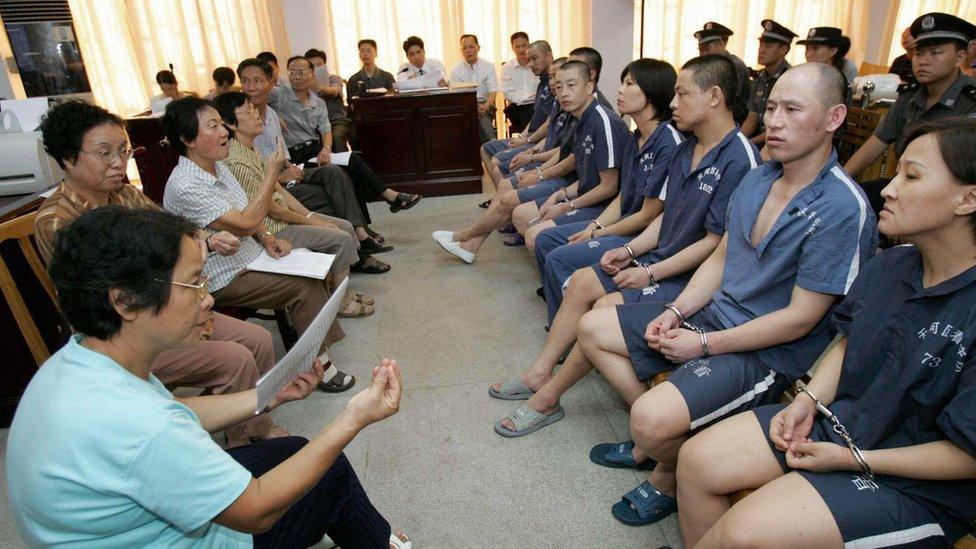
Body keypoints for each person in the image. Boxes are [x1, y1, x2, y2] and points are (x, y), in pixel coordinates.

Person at [6, 206, 411, 548]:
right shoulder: (142, 426)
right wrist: (353, 418)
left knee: (293, 450)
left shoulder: (85, 357)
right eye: (193, 282)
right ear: (126, 301)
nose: (209, 297)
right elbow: (257, 510)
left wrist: (266, 397)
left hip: (122, 528)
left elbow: (175, 409)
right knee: (329, 472)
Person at [587, 62, 877, 527]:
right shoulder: (759, 177)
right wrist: (678, 311)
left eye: (793, 110)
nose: (774, 121)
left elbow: (801, 319)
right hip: (715, 318)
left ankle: (667, 469)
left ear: (834, 118)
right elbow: (721, 259)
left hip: (770, 353)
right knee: (593, 327)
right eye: (772, 108)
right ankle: (668, 453)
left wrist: (703, 345)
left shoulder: (842, 206)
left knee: (648, 421)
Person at [677, 117, 976, 548]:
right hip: (844, 427)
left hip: (916, 483)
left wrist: (854, 458)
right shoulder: (891, 264)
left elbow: (967, 454)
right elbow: (849, 339)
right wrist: (808, 399)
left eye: (911, 176)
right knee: (696, 461)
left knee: (745, 532)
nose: (888, 188)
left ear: (968, 200)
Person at [491, 55, 759, 436]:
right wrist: (631, 251)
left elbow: (715, 246)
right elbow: (664, 217)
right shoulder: (689, 148)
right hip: (660, 258)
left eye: (682, 94)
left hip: (692, 278)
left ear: (714, 97)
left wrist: (648, 270)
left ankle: (553, 398)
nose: (672, 103)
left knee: (599, 309)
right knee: (584, 280)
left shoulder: (740, 160)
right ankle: (539, 374)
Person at [33, 99, 287, 448]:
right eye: (104, 153)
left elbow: (173, 232)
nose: (118, 162)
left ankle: (247, 431)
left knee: (257, 341)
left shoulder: (124, 194)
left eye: (123, 150)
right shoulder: (58, 221)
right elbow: (113, 295)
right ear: (67, 158)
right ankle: (243, 445)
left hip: (164, 305)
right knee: (236, 357)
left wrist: (209, 239)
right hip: (122, 336)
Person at [161, 96, 356, 392]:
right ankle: (319, 366)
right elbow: (245, 221)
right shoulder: (186, 184)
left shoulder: (217, 165)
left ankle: (310, 350)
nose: (224, 131)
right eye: (213, 126)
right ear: (187, 139)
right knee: (304, 287)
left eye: (222, 124)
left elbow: (246, 211)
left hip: (251, 257)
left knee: (313, 271)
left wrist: (267, 238)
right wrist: (271, 172)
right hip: (221, 277)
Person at [433, 60, 627, 264]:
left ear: (589, 86)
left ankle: (465, 237)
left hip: (599, 202)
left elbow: (608, 187)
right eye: (559, 86)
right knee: (517, 207)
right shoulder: (581, 117)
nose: (563, 93)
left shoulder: (603, 121)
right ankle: (469, 242)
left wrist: (565, 202)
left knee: (520, 212)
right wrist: (556, 189)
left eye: (571, 85)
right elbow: (574, 159)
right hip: (577, 189)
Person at [532, 59, 682, 321]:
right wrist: (595, 227)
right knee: (545, 239)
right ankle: (568, 312)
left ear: (653, 91)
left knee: (558, 257)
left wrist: (598, 231)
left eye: (630, 84)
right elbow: (624, 195)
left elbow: (648, 216)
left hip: (640, 236)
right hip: (622, 222)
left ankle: (568, 327)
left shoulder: (668, 141)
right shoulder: (637, 137)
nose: (620, 90)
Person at [213, 92, 372, 318]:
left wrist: (311, 217)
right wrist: (314, 222)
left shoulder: (250, 148)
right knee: (341, 237)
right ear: (229, 123)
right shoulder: (235, 160)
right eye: (247, 111)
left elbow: (278, 190)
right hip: (272, 228)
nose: (256, 114)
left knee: (344, 225)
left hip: (280, 217)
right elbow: (271, 209)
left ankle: (340, 293)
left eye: (253, 108)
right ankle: (337, 305)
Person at [236, 57, 393, 271]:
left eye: (257, 81)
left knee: (335, 173)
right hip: (275, 185)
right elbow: (252, 174)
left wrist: (292, 166)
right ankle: (358, 251)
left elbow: (292, 147)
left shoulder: (272, 114)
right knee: (331, 195)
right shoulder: (241, 122)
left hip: (289, 169)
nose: (250, 88)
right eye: (245, 81)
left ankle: (358, 238)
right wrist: (281, 176)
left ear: (271, 84)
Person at [844, 12, 976, 215]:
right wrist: (840, 180)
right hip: (904, 188)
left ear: (959, 58)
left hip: (951, 201)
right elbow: (876, 143)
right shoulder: (909, 95)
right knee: (847, 203)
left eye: (936, 52)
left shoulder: (971, 101)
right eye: (919, 53)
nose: (923, 61)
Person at [269, 55, 422, 220]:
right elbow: (252, 97)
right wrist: (273, 115)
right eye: (292, 72)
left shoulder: (318, 102)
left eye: (301, 72)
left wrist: (326, 149)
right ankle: (390, 197)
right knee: (349, 166)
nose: (296, 77)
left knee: (351, 163)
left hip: (313, 151)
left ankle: (367, 226)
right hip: (294, 155)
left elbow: (325, 128)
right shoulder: (278, 94)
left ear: (312, 74)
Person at [741, 19, 797, 147]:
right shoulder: (760, 77)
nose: (761, 50)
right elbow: (752, 117)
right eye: (761, 44)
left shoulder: (790, 79)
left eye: (768, 46)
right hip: (759, 141)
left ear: (784, 49)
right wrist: (738, 140)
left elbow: (785, 126)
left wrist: (749, 143)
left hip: (780, 142)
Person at [694, 22, 751, 123]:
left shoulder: (734, 65)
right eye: (701, 50)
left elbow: (728, 103)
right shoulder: (708, 66)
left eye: (707, 49)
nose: (703, 54)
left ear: (721, 44)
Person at [449, 34, 500, 142]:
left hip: (486, 105)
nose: (468, 50)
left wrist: (484, 107)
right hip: (465, 108)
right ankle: (492, 143)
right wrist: (473, 108)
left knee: (481, 115)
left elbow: (493, 92)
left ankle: (485, 146)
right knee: (476, 118)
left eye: (471, 47)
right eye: (464, 48)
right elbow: (457, 96)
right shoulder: (456, 71)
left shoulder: (488, 67)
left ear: (478, 48)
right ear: (461, 50)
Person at [305, 48, 355, 152]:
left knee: (336, 136)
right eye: (312, 66)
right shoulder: (304, 85)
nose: (315, 69)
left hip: (337, 120)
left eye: (319, 65)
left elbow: (334, 91)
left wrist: (319, 88)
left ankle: (345, 165)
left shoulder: (334, 78)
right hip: (315, 124)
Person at [500, 31, 540, 132]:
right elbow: (507, 92)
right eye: (518, 46)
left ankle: (525, 139)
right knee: (528, 114)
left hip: (536, 105)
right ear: (512, 48)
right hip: (516, 106)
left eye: (524, 45)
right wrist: (523, 100)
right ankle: (530, 139)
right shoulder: (507, 68)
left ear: (529, 46)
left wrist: (532, 101)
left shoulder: (537, 66)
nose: (521, 49)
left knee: (533, 112)